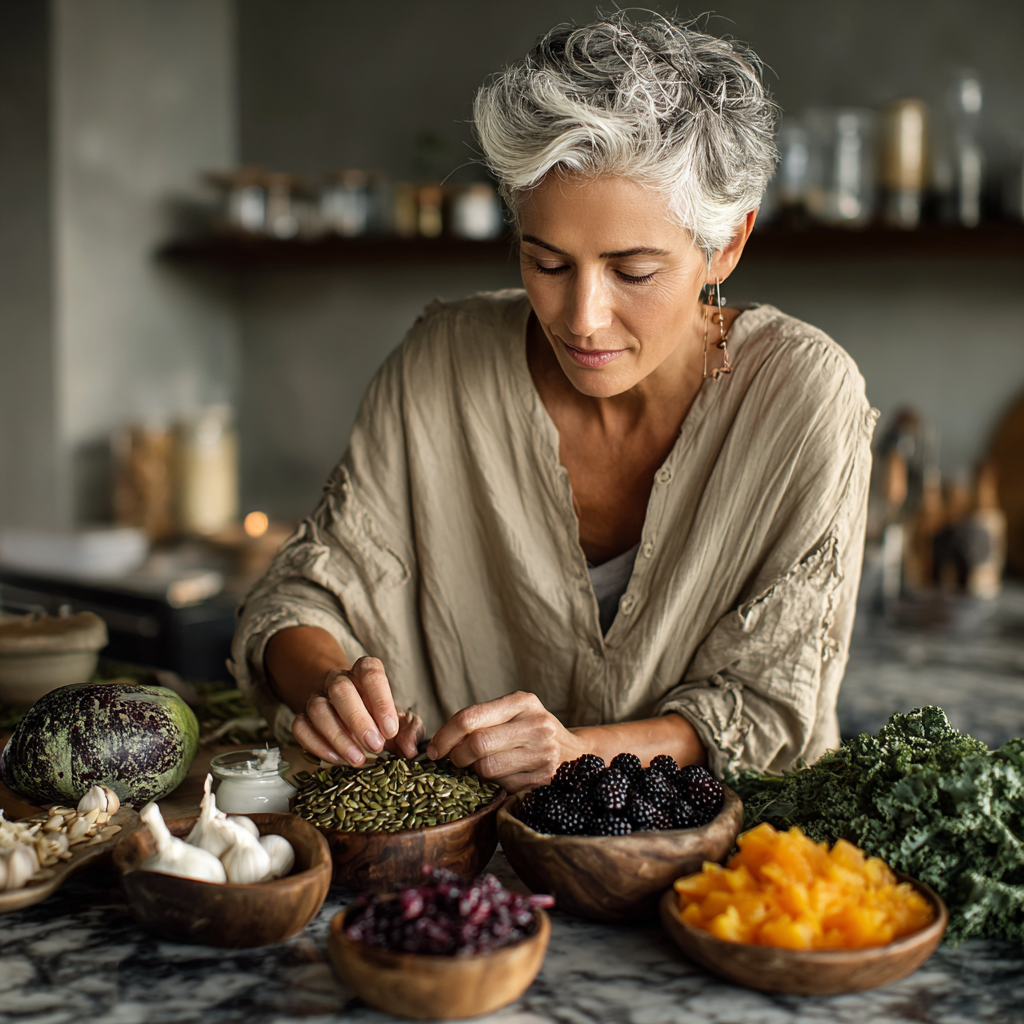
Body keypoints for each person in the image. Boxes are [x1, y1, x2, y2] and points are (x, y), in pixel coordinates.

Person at [230, 14, 876, 793]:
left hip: (722, 881)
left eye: (633, 271)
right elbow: (305, 592)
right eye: (547, 262)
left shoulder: (805, 399)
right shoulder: (441, 363)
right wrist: (324, 685)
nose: (582, 318)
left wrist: (579, 755)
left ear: (728, 246)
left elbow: (774, 711)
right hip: (460, 870)